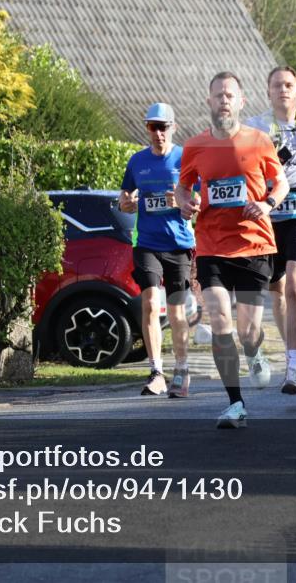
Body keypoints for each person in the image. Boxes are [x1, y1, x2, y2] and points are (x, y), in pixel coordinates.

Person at [176, 72, 287, 427]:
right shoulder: (195, 146)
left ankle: (255, 352)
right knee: (220, 319)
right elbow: (183, 187)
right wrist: (184, 203)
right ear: (209, 101)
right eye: (218, 95)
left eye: (230, 95)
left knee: (247, 331)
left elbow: (280, 181)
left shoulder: (259, 140)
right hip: (211, 245)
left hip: (253, 243)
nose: (224, 100)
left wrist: (268, 203)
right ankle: (235, 403)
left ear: (241, 101)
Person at [244, 66, 296, 394]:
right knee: (276, 290)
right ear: (269, 91)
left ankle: (293, 368)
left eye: (289, 85)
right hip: (268, 215)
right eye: (277, 85)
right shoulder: (256, 126)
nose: (283, 90)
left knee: (295, 285)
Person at [119, 103, 195, 397]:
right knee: (150, 304)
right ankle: (156, 372)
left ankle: (182, 369)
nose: (158, 133)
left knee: (176, 312)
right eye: (153, 127)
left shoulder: (185, 159)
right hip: (147, 243)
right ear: (147, 129)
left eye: (163, 127)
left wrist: (183, 202)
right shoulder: (137, 161)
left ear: (173, 127)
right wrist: (125, 202)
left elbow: (198, 198)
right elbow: (125, 195)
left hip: (178, 244)